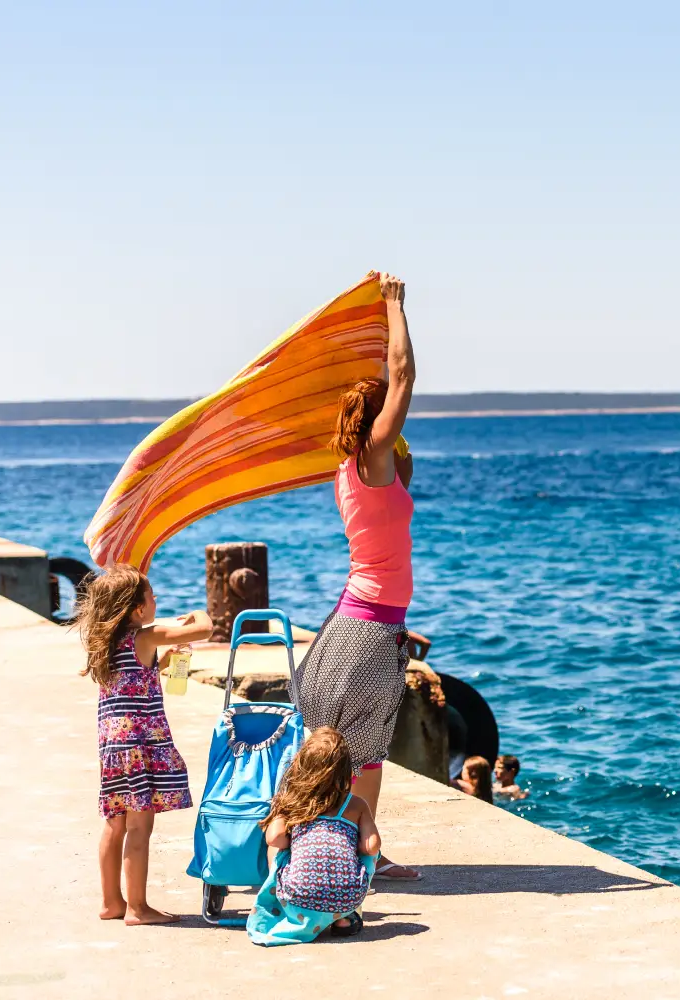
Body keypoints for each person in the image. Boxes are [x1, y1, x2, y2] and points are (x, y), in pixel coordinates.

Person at [295, 271, 422, 882]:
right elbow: (403, 375)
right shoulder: (369, 459)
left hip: (363, 621)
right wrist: (394, 306)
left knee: (363, 748)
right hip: (368, 627)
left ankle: (355, 845)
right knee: (363, 748)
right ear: (377, 424)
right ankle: (356, 848)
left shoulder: (359, 470)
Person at [71, 565, 212, 925]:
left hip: (112, 745)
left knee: (115, 822)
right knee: (139, 826)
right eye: (151, 597)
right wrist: (195, 615)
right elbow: (205, 628)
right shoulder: (145, 634)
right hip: (140, 743)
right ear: (137, 609)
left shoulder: (108, 642)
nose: (157, 601)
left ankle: (111, 903)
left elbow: (139, 675)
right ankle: (137, 907)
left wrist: (166, 661)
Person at [248, 727, 381, 945]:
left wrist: (298, 841)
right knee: (368, 852)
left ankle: (283, 906)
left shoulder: (291, 801)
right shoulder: (355, 805)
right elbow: (372, 847)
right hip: (347, 898)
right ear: (347, 771)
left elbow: (274, 838)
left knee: (280, 848)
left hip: (298, 898)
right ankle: (344, 918)